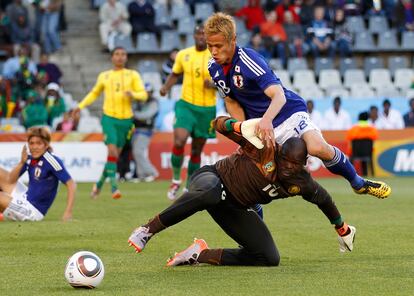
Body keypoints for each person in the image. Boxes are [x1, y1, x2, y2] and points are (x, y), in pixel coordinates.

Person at [204, 12, 390, 199]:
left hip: (288, 112)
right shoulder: (213, 68)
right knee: (252, 180)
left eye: (218, 46)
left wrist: (267, 120)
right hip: (262, 126)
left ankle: (358, 182)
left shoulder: (249, 60)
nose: (213, 51)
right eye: (210, 46)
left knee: (317, 148)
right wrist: (245, 135)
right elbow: (231, 101)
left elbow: (279, 95)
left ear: (233, 40)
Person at [127, 116, 357, 266]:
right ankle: (148, 229)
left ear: (304, 163)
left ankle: (199, 254)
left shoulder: (303, 181)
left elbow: (324, 200)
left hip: (234, 206)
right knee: (210, 193)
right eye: (284, 162)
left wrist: (341, 227)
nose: (287, 169)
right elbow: (217, 124)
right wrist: (235, 125)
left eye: (294, 166)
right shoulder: (262, 147)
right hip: (212, 178)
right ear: (279, 153)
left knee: (268, 258)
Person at [73, 46, 147, 199]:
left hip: (126, 121)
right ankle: (114, 188)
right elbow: (94, 93)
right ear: (112, 57)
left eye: (123, 54)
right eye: (117, 54)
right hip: (109, 119)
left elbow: (143, 95)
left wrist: (132, 94)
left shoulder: (133, 75)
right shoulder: (104, 76)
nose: (120, 57)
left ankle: (98, 185)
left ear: (126, 58)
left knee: (113, 157)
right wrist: (80, 106)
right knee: (112, 152)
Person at [159, 26, 216, 200]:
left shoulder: (215, 56)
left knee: (197, 150)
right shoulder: (183, 54)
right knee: (180, 140)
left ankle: (190, 183)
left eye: (204, 34)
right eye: (198, 33)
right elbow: (175, 74)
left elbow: (224, 81)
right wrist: (165, 87)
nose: (201, 36)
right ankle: (176, 179)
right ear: (194, 36)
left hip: (207, 109)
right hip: (186, 105)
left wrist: (213, 85)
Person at [0, 126, 76, 221]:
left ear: (46, 145)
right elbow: (10, 180)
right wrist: (21, 162)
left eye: (39, 143)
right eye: (31, 143)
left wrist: (68, 212)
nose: (34, 147)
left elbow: (71, 184)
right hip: (25, 198)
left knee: (0, 197)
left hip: (33, 212)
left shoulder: (51, 160)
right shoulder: (30, 158)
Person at [131, 82, 159, 182]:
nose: (147, 94)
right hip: (137, 129)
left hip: (146, 130)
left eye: (148, 92)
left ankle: (152, 172)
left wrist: (134, 114)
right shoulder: (138, 101)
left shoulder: (153, 102)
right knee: (136, 152)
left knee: (138, 151)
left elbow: (146, 115)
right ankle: (141, 174)